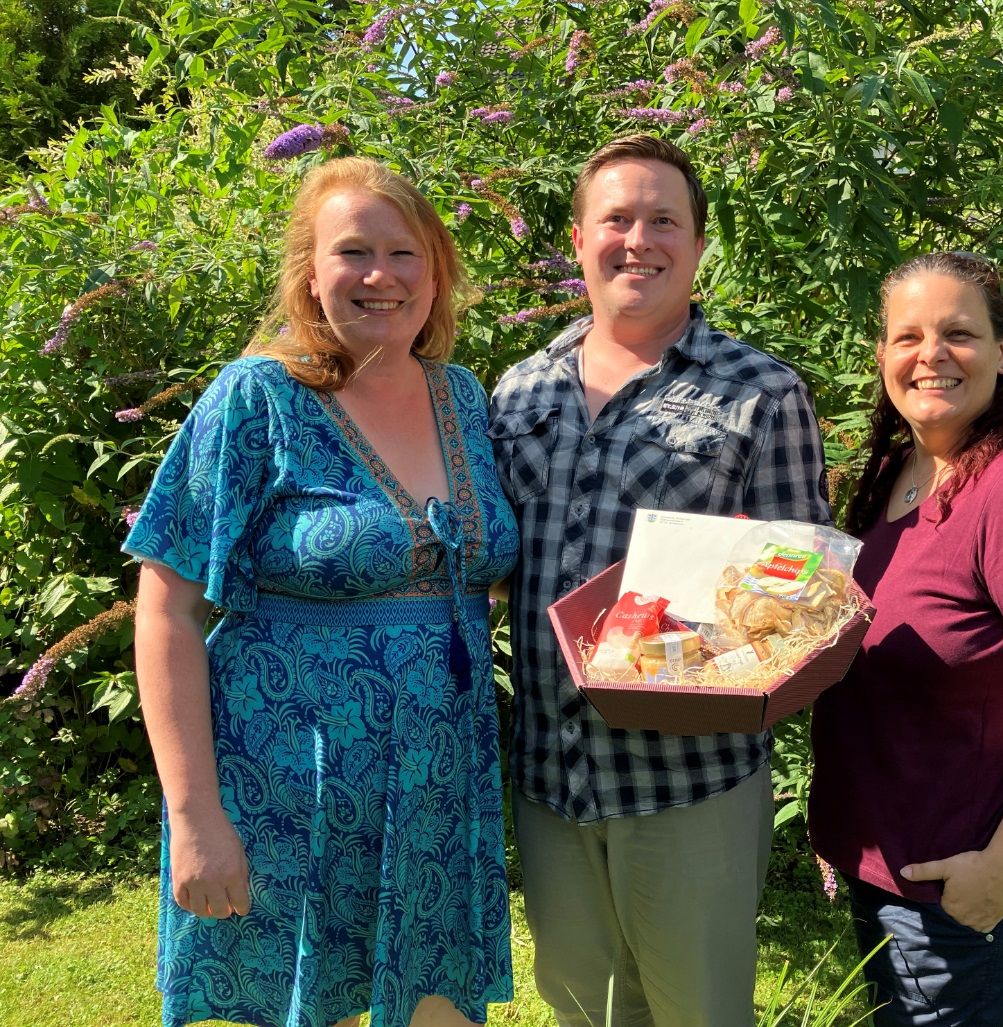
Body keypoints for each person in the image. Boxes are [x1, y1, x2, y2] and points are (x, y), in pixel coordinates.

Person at [125, 156, 518, 1027]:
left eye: (404, 252)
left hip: (435, 789)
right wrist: (195, 817)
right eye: (353, 252)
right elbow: (166, 605)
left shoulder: (463, 398)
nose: (381, 275)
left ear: (437, 268)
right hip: (284, 790)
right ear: (311, 273)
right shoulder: (256, 399)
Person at [488, 134, 831, 1027]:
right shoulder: (519, 392)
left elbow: (804, 607)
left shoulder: (762, 393)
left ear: (698, 244)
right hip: (549, 783)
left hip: (689, 786)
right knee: (587, 1014)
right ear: (577, 240)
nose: (638, 239)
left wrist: (689, 658)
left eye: (663, 220)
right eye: (617, 218)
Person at [807, 251, 1003, 1027]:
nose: (930, 355)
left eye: (959, 333)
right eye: (907, 336)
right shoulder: (899, 472)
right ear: (881, 354)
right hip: (894, 867)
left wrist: (1002, 869)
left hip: (973, 884)